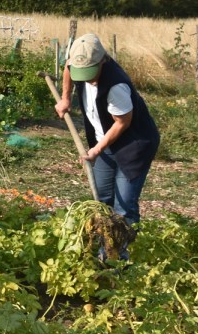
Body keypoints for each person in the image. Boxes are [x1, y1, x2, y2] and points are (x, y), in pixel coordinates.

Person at [54, 33, 160, 250]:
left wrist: (96, 150)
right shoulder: (77, 64)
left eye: (90, 72)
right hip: (104, 142)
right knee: (101, 199)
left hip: (133, 144)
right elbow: (68, 68)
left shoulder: (116, 85)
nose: (86, 78)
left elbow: (123, 123)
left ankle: (121, 257)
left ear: (102, 61)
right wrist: (65, 98)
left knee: (123, 206)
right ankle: (103, 248)